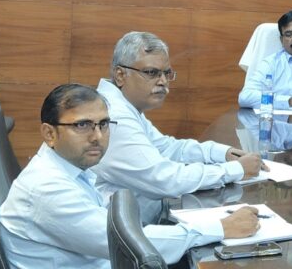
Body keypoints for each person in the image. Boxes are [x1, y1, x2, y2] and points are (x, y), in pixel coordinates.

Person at [0, 84, 260, 268]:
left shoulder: (69, 168)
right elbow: (128, 243)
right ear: (49, 134)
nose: (97, 136)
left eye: (103, 124)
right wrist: (219, 228)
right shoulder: (47, 188)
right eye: (82, 125)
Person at [93, 32, 265, 223]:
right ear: (120, 75)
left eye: (166, 73)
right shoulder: (114, 116)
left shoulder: (125, 106)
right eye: (151, 73)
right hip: (123, 231)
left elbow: (166, 147)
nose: (163, 81)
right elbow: (164, 179)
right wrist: (235, 170)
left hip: (143, 219)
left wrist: (221, 153)